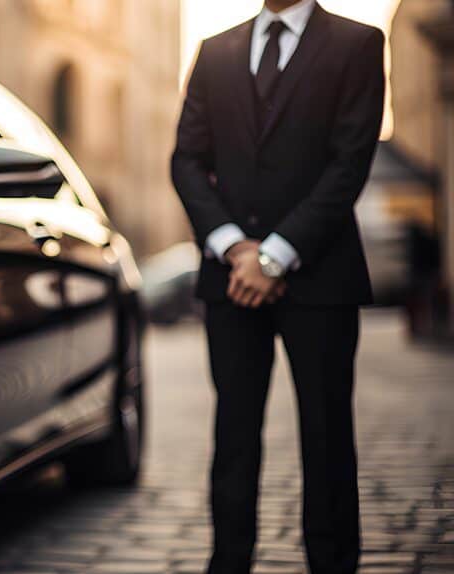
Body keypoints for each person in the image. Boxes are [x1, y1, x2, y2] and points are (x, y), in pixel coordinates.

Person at [170, 0, 385, 572]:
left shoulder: (357, 44)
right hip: (231, 278)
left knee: (327, 433)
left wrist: (276, 255)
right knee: (234, 435)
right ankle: (229, 561)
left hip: (321, 277)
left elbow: (350, 162)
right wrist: (236, 248)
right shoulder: (215, 52)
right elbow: (186, 160)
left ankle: (333, 563)